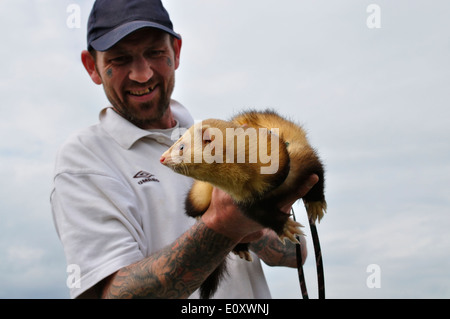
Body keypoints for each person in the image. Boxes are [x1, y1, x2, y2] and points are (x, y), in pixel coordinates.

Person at [51, 0, 318, 299]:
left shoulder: (219, 138)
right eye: (120, 59)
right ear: (93, 67)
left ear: (176, 52)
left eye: (155, 53)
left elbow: (297, 254)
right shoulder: (84, 159)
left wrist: (258, 220)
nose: (142, 74)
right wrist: (222, 223)